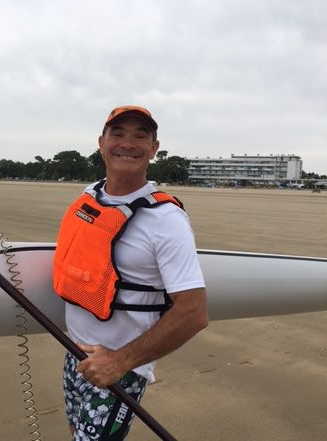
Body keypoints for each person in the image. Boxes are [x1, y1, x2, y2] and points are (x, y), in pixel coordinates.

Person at [53, 105, 208, 440]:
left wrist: (120, 362)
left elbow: (194, 312)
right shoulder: (90, 195)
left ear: (154, 148)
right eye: (118, 133)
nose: (128, 143)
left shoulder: (166, 219)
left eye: (140, 136)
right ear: (101, 143)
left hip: (119, 368)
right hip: (77, 353)